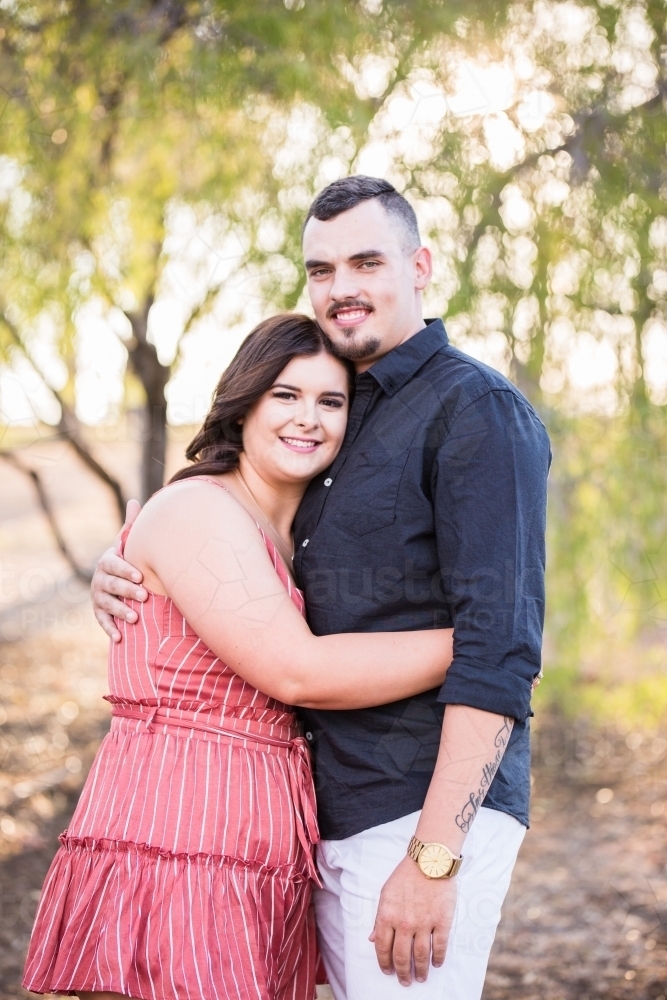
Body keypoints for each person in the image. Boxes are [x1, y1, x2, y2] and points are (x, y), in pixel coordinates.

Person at [91, 176, 551, 1000]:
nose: (340, 288)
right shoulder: (349, 412)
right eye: (320, 269)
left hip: (416, 814)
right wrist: (135, 565)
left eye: (365, 261)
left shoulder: (475, 411)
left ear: (421, 266)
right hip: (320, 814)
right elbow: (236, 542)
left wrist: (433, 857)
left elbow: (500, 652)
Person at [22, 314, 455, 1000]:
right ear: (244, 400)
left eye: (330, 401)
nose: (307, 418)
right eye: (285, 395)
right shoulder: (200, 509)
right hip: (178, 833)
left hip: (261, 846)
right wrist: (484, 647)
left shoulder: (304, 535)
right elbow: (297, 671)